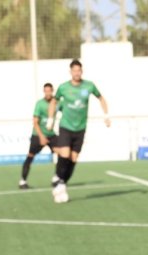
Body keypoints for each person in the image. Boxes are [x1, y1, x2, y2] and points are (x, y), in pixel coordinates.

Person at [47, 59, 110, 203]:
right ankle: (58, 177)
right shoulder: (63, 87)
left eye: (79, 70)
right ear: (70, 72)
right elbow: (54, 102)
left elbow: (101, 98)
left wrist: (106, 115)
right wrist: (51, 119)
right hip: (66, 126)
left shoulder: (89, 86)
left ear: (82, 71)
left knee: (74, 159)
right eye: (74, 70)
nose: (77, 73)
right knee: (65, 153)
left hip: (80, 128)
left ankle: (61, 182)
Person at [19, 83, 58, 189]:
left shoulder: (57, 102)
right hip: (38, 134)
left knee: (61, 154)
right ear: (44, 92)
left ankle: (56, 178)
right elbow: (35, 122)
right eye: (46, 91)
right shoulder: (40, 104)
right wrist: (41, 136)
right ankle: (23, 181)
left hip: (51, 135)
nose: (48, 93)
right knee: (30, 156)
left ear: (52, 91)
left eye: (49, 91)